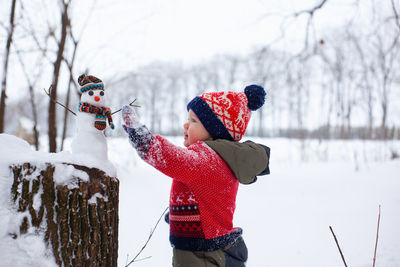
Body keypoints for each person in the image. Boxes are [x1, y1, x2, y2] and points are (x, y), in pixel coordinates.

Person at [122, 84, 270, 267]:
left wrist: (144, 140)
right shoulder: (218, 158)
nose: (186, 125)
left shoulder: (206, 158)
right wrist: (184, 213)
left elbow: (173, 159)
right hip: (207, 246)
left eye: (193, 121)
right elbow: (208, 196)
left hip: (201, 255)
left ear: (214, 130)